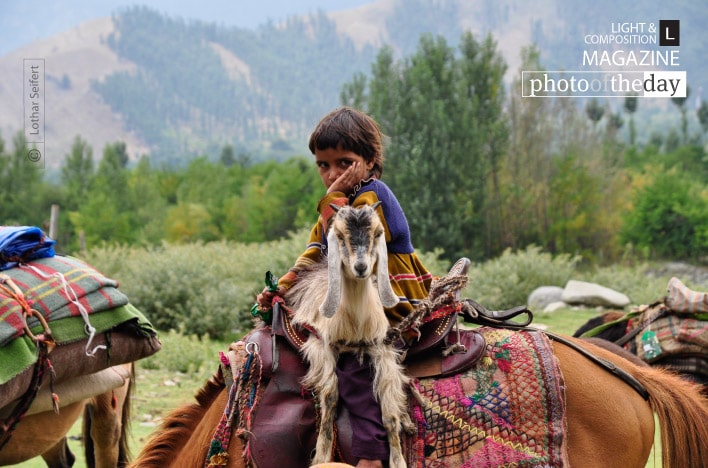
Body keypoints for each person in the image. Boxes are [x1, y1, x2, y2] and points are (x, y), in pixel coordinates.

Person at [257, 106, 432, 467]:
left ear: (369, 162)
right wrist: (281, 289)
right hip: (351, 297)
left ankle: (372, 454)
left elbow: (357, 237)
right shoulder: (333, 205)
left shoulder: (372, 195)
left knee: (354, 359)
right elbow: (313, 254)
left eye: (344, 162)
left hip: (388, 296)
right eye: (324, 165)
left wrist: (334, 194)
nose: (332, 173)